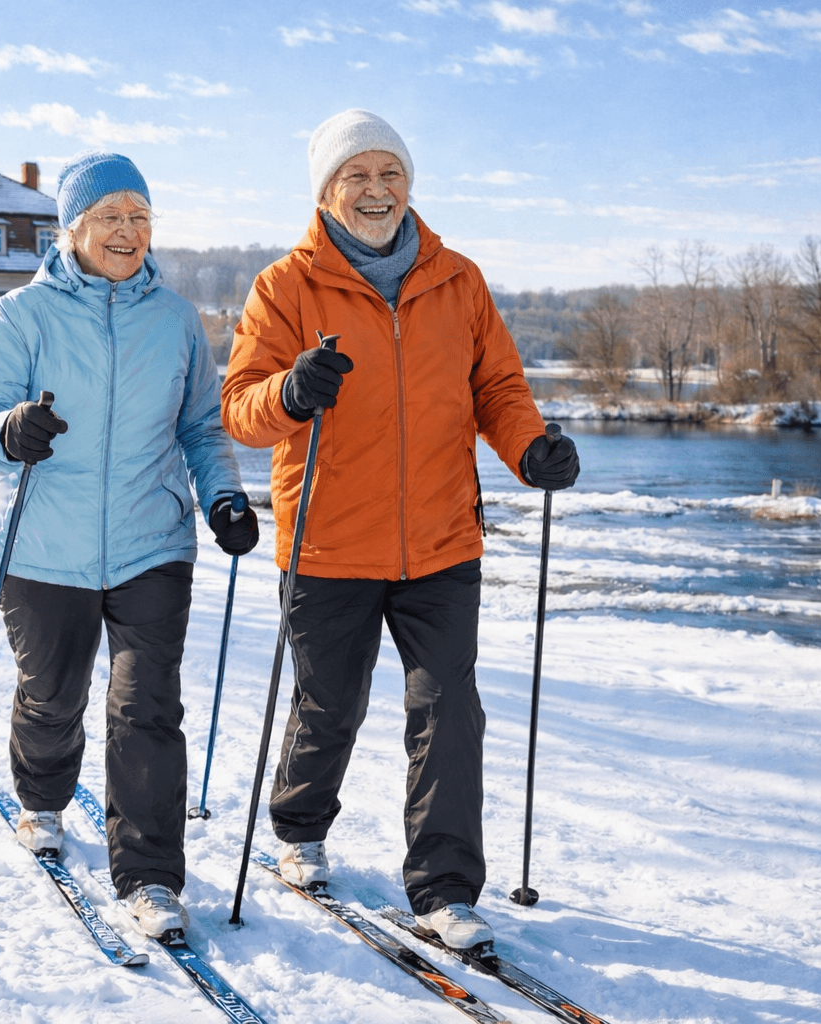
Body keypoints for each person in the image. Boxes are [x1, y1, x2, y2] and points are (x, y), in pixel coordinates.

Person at [221, 109, 580, 951]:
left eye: (391, 174)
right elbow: (240, 409)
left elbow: (498, 388)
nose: (376, 190)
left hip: (442, 540)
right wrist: (290, 392)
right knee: (329, 703)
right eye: (358, 175)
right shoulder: (286, 286)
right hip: (328, 541)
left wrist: (530, 449)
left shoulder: (458, 280)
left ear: (409, 185)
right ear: (327, 190)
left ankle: (445, 889)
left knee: (449, 708)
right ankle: (300, 827)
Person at [0, 150, 258, 943]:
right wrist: (9, 433)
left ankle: (151, 875)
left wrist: (223, 497)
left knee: (146, 707)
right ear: (72, 228)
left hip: (150, 541)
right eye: (110, 217)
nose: (128, 231)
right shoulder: (23, 315)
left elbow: (201, 428)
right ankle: (41, 797)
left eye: (140, 216)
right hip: (41, 546)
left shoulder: (176, 321)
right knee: (51, 696)